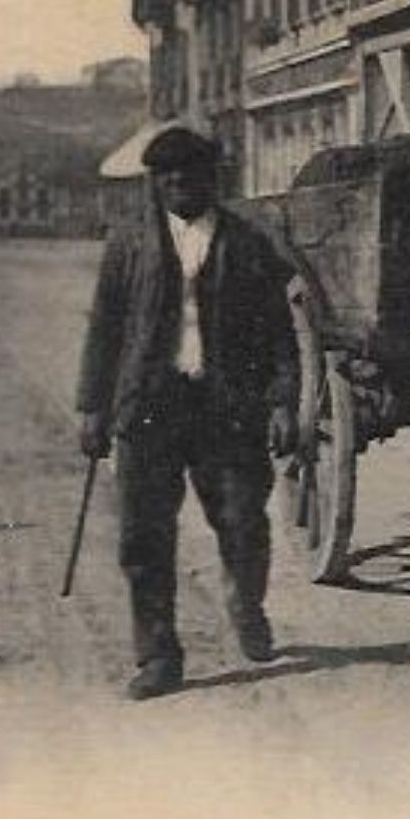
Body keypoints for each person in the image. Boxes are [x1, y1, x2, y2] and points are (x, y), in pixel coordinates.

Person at [75, 125, 299, 700]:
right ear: (155, 183)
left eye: (190, 174)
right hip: (148, 408)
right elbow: (104, 330)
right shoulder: (129, 245)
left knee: (245, 521)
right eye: (167, 176)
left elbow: (279, 331)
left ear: (211, 179)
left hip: (227, 409)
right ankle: (158, 657)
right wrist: (92, 408)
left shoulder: (247, 243)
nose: (178, 184)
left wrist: (282, 401)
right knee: (144, 538)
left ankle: (246, 605)